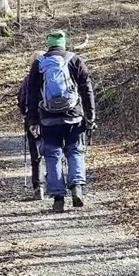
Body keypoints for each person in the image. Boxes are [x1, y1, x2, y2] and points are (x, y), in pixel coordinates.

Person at [23, 30, 95, 213]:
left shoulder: (39, 63)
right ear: (64, 43)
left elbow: (31, 95)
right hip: (74, 116)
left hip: (48, 118)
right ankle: (77, 187)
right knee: (75, 151)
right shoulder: (74, 60)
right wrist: (90, 115)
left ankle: (58, 198)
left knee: (52, 155)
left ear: (48, 44)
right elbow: (87, 89)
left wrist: (33, 120)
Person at [16, 70, 44, 200]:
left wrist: (25, 113)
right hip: (51, 117)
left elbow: (22, 100)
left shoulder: (28, 79)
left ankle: (39, 186)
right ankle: (56, 184)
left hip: (32, 119)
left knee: (35, 155)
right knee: (53, 151)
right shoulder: (50, 75)